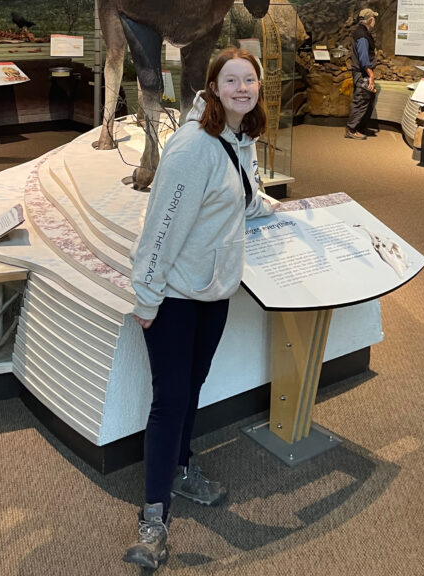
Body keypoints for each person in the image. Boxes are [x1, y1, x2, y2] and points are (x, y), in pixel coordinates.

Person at [123, 47, 274, 571]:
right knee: (170, 400)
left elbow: (245, 197)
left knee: (192, 389)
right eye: (230, 80)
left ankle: (183, 469)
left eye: (248, 80)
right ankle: (152, 521)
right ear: (212, 87)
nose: (241, 88)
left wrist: (276, 211)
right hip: (175, 298)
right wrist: (147, 296)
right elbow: (160, 228)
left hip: (213, 294)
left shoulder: (239, 139)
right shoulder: (192, 147)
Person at [346, 7, 378, 140]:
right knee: (360, 100)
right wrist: (371, 75)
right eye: (374, 19)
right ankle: (351, 129)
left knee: (365, 100)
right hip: (362, 73)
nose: (374, 21)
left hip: (361, 72)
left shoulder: (360, 32)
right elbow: (363, 58)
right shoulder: (363, 36)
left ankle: (359, 127)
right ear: (370, 20)